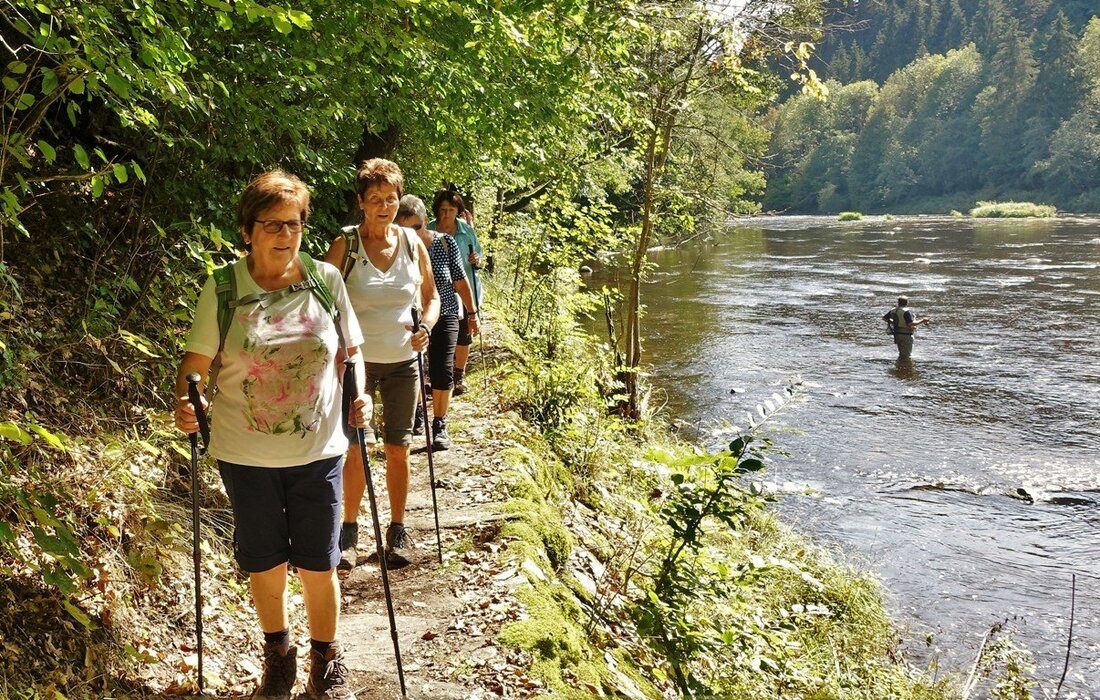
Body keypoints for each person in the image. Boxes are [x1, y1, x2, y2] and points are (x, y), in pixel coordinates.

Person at [174, 170, 371, 700]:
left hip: (320, 447)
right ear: (248, 230)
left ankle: (325, 664)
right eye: (272, 225)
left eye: (294, 224)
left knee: (319, 561)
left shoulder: (325, 281)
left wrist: (363, 394)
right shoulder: (222, 286)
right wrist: (187, 400)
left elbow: (350, 354)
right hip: (244, 450)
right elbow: (195, 363)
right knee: (264, 560)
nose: (285, 235)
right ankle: (278, 655)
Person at [325, 159, 440, 570]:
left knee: (398, 448)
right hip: (354, 361)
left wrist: (425, 326)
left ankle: (397, 530)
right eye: (375, 199)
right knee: (356, 447)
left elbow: (431, 297)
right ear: (361, 202)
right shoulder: (346, 245)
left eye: (390, 198)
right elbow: (320, 302)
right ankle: (349, 531)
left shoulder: (412, 243)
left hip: (403, 361)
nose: (384, 206)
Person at [396, 194, 479, 451]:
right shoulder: (392, 250)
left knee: (442, 370)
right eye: (404, 229)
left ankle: (440, 423)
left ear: (425, 222)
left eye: (417, 227)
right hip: (409, 319)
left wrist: (473, 313)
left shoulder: (445, 244)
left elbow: (459, 279)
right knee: (416, 369)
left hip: (445, 314)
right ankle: (418, 411)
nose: (412, 234)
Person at [428, 189, 483, 396]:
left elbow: (479, 254)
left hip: (464, 289)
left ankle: (459, 374)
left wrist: (476, 260)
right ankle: (434, 374)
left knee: (464, 333)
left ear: (457, 211)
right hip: (437, 290)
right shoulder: (429, 229)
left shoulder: (466, 231)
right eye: (442, 209)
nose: (446, 213)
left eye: (451, 209)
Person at [883, 295, 931, 360]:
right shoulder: (906, 311)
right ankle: (904, 367)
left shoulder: (893, 310)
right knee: (907, 356)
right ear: (906, 302)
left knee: (902, 353)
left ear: (898, 302)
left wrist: (894, 323)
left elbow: (885, 318)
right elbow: (910, 324)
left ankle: (899, 366)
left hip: (897, 334)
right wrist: (923, 320)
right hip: (906, 335)